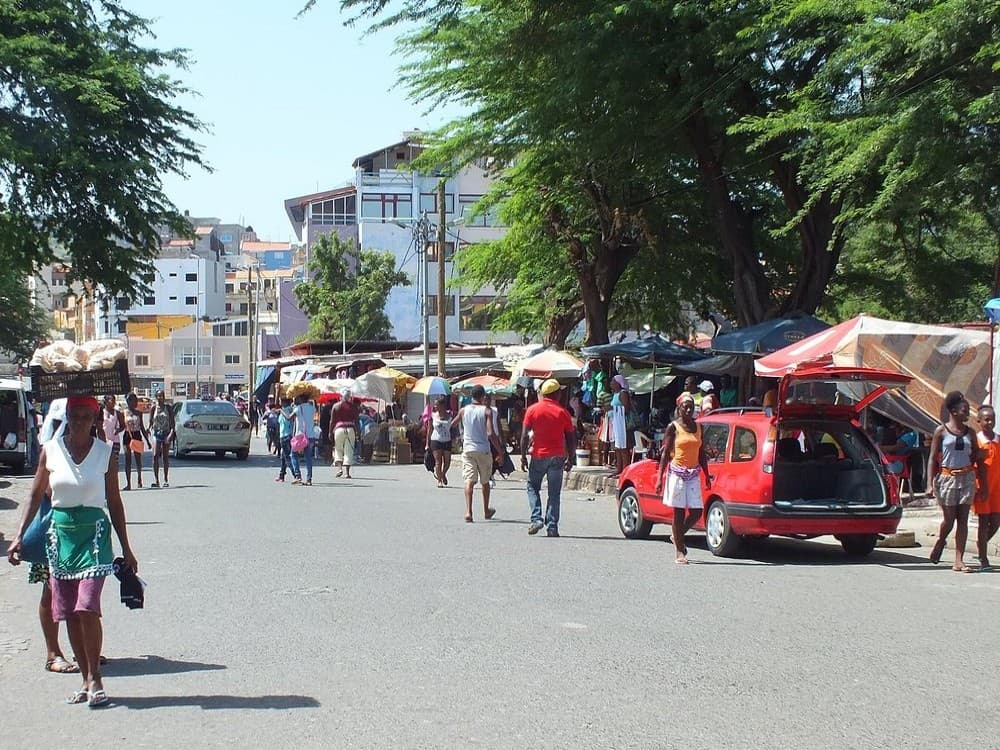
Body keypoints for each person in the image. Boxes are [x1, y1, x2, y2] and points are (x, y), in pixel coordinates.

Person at [7, 395, 138, 708]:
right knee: (68, 612)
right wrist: (18, 536)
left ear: (94, 420)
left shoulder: (105, 454)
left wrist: (126, 547)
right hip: (61, 535)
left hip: (94, 535)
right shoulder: (50, 451)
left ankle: (95, 678)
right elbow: (35, 494)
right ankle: (85, 679)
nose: (79, 421)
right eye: (74, 416)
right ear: (67, 417)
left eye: (85, 416)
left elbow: (115, 502)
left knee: (87, 607)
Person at [927, 391, 986, 573]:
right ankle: (941, 540)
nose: (967, 413)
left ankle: (958, 560)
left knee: (963, 520)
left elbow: (977, 456)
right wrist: (930, 484)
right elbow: (932, 459)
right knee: (949, 520)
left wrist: (982, 482)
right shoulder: (941, 431)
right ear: (953, 411)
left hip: (967, 478)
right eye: (964, 409)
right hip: (947, 479)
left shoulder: (971, 433)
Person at [655, 392, 712, 564]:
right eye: (685, 406)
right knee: (678, 512)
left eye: (691, 406)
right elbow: (665, 453)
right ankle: (680, 551)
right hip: (677, 473)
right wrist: (659, 477)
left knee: (696, 512)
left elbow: (701, 452)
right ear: (679, 408)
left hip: (693, 474)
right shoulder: (673, 427)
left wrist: (706, 474)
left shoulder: (698, 427)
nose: (688, 409)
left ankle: (677, 535)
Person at [520, 379, 575, 537]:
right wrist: (571, 458)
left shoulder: (532, 410)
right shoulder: (563, 412)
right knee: (554, 493)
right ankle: (552, 527)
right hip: (558, 456)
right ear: (557, 394)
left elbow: (524, 436)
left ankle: (536, 519)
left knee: (532, 487)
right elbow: (571, 437)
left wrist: (523, 456)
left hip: (539, 455)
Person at [451, 384, 502, 522]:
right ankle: (486, 510)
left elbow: (453, 424)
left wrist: (458, 438)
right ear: (482, 396)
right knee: (485, 482)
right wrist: (500, 451)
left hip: (468, 449)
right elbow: (491, 433)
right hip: (483, 450)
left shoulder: (463, 411)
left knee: (469, 481)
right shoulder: (486, 411)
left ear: (471, 396)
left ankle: (468, 511)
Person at [974, 405, 1000, 570]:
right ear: (979, 421)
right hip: (982, 487)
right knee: (983, 522)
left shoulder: (998, 440)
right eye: (986, 419)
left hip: (997, 487)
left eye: (992, 419)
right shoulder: (977, 441)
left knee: (996, 521)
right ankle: (983, 558)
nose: (990, 422)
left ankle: (980, 543)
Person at [121, 393, 150, 491]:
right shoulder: (123, 412)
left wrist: (148, 441)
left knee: (138, 460)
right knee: (127, 459)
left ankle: (139, 478)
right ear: (128, 402)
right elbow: (121, 425)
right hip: (127, 436)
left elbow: (141, 427)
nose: (134, 403)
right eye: (131, 401)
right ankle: (128, 483)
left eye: (135, 401)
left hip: (137, 435)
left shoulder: (139, 413)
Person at [148, 391, 174, 488]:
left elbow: (172, 423)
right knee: (155, 455)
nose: (160, 398)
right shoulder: (153, 408)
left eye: (162, 396)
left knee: (165, 457)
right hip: (156, 433)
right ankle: (156, 480)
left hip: (166, 433)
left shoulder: (168, 408)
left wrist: (170, 434)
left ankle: (165, 479)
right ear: (156, 397)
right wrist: (148, 428)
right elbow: (150, 421)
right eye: (159, 396)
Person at [330, 391, 360, 479]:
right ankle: (347, 473)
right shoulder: (354, 407)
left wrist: (330, 432)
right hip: (351, 429)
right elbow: (357, 421)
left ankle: (339, 469)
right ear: (350, 397)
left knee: (338, 449)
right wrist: (358, 432)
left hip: (339, 429)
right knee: (349, 450)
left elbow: (332, 421)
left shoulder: (336, 406)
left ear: (341, 396)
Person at [425, 397, 453, 488]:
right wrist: (427, 444)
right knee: (438, 462)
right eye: (435, 404)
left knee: (447, 462)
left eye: (437, 404)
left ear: (443, 406)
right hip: (435, 440)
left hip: (447, 440)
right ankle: (439, 480)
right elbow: (429, 430)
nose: (435, 406)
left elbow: (454, 426)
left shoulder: (450, 415)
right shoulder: (432, 416)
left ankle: (443, 474)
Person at [290, 392, 316, 486]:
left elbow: (289, 418)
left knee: (293, 455)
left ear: (300, 399)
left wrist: (281, 411)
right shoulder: (312, 408)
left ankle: (298, 476)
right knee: (308, 458)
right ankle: (309, 479)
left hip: (300, 436)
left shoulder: (298, 408)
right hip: (311, 436)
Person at [609, 374, 632, 477]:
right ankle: (619, 469)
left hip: (622, 423)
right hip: (615, 423)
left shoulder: (623, 394)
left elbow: (625, 409)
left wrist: (613, 410)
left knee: (623, 448)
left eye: (613, 382)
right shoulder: (615, 394)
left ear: (618, 383)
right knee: (617, 447)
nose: (611, 384)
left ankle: (625, 470)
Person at [275, 397, 297, 483]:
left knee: (287, 457)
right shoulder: (288, 409)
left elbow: (288, 418)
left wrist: (281, 411)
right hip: (286, 435)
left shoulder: (287, 410)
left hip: (285, 435)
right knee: (284, 457)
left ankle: (296, 474)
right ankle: (282, 475)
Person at [100, 396, 124, 471]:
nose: (113, 402)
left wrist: (118, 430)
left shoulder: (117, 413)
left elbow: (123, 425)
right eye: (111, 401)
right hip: (103, 441)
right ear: (106, 402)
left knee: (114, 461)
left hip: (115, 441)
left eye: (114, 401)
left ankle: (114, 479)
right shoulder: (101, 412)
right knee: (103, 462)